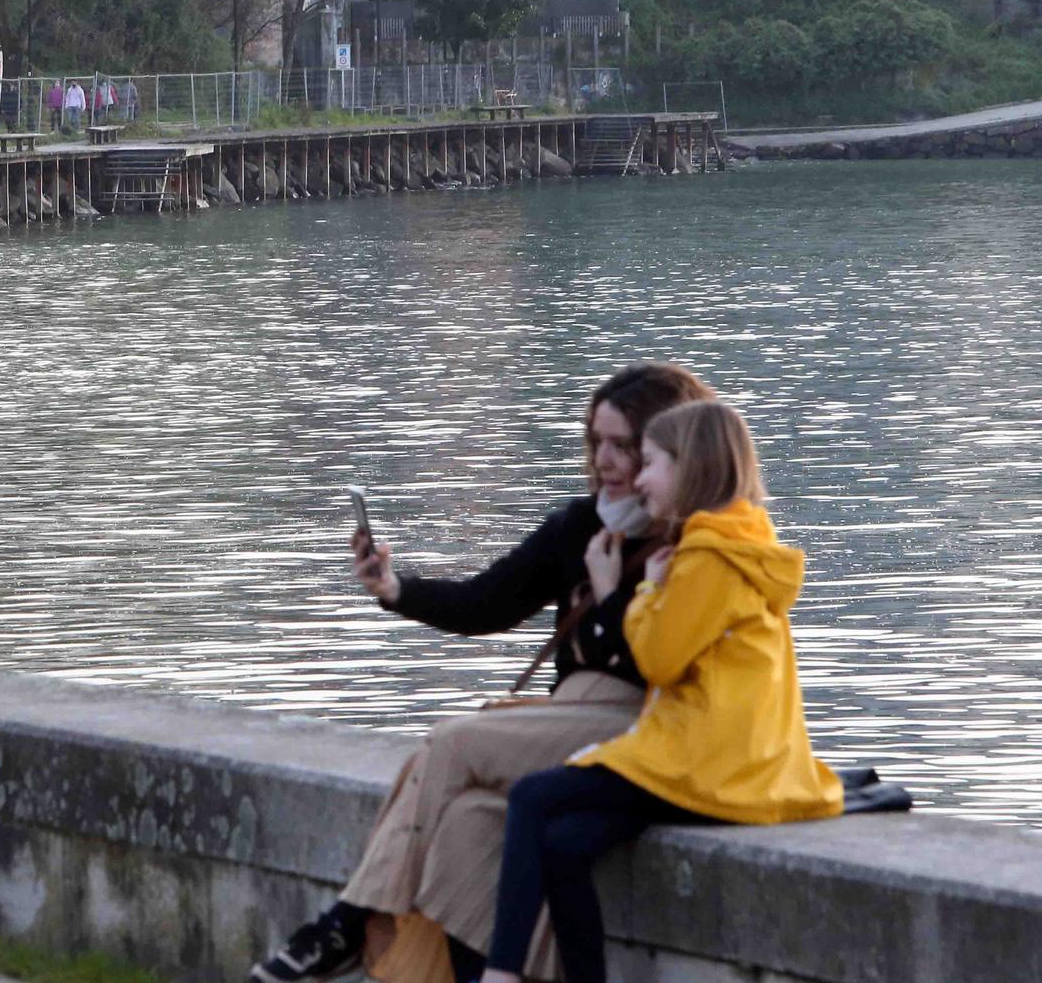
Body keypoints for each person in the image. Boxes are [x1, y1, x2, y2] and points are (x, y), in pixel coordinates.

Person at [249, 363, 716, 983]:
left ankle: (344, 924)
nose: (604, 460)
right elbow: (488, 601)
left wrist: (610, 596)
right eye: (595, 441)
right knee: (469, 825)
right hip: (565, 718)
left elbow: (668, 664)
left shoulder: (695, 545)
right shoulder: (582, 526)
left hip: (640, 721)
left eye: (624, 447)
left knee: (451, 743)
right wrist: (396, 589)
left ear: (671, 449)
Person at [481, 401, 842, 983]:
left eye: (649, 463)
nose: (637, 477)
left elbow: (659, 661)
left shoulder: (707, 559)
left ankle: (501, 974)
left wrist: (635, 593)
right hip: (738, 757)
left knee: (531, 796)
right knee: (567, 842)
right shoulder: (744, 543)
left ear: (690, 468)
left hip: (707, 763)